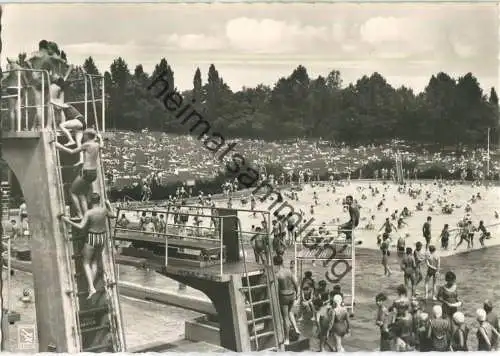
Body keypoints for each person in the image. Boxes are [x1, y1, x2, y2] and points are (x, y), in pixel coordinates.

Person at [60, 192, 115, 299]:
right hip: (102, 237)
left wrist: (67, 221)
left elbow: (81, 226)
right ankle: (92, 287)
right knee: (94, 262)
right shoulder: (104, 210)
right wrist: (108, 205)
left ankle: (91, 287)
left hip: (92, 237)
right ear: (99, 200)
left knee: (85, 262)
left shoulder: (89, 213)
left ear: (90, 201)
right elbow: (113, 215)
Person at [54, 129, 104, 219]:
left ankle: (79, 214)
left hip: (87, 172)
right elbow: (102, 146)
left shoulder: (86, 145)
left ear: (88, 136)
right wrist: (100, 138)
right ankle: (85, 215)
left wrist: (59, 146)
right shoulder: (97, 145)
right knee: (81, 193)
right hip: (93, 173)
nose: (83, 137)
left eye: (84, 135)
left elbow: (72, 152)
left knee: (72, 191)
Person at [274, 255, 299, 345]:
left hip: (284, 296)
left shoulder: (277, 274)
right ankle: (296, 329)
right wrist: (297, 293)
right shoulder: (289, 271)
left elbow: (275, 287)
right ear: (282, 262)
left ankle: (287, 339)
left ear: (275, 263)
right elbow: (295, 284)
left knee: (285, 318)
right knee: (290, 313)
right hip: (292, 294)